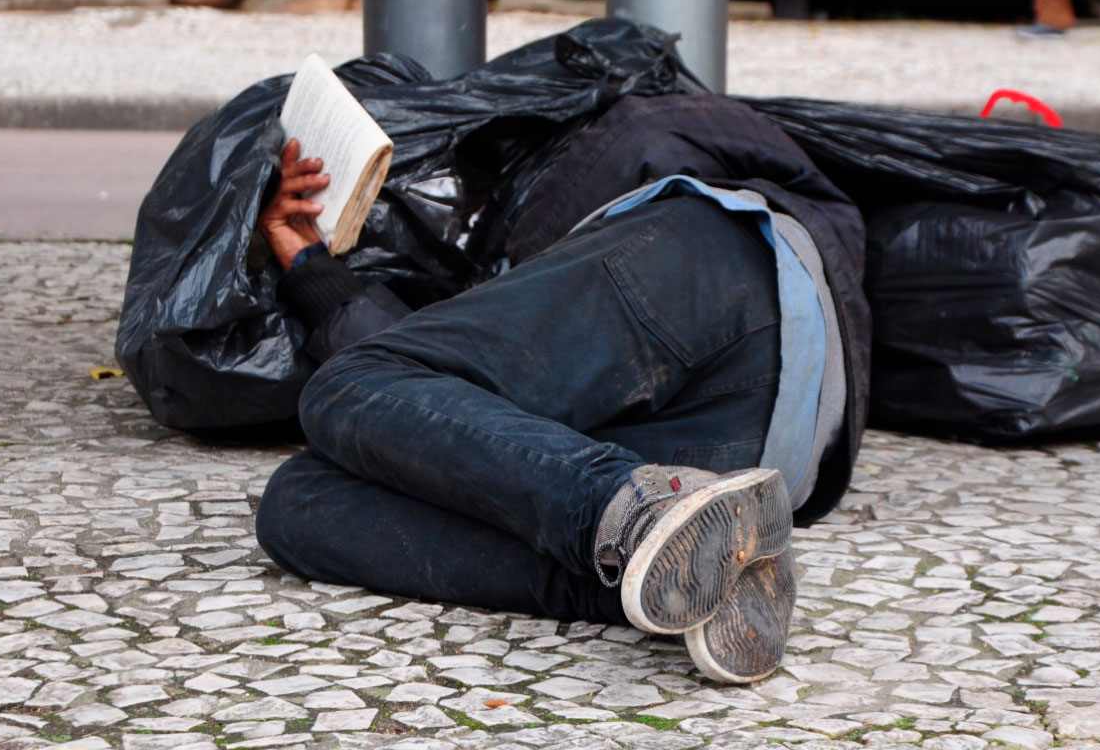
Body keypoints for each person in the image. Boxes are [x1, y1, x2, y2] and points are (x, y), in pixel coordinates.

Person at [252, 94, 871, 683]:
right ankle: (686, 577)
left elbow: (391, 379)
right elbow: (428, 412)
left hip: (720, 270)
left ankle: (635, 513)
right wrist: (311, 266)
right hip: (772, 457)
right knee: (297, 502)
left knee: (348, 383)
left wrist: (315, 272)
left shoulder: (533, 165)